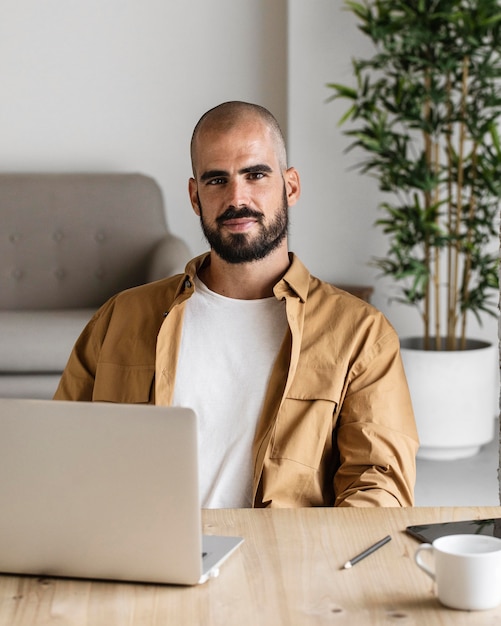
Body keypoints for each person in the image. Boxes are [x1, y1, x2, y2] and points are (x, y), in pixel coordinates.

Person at [54, 101, 419, 508]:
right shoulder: (119, 318)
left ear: (291, 186)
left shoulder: (361, 334)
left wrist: (315, 564)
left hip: (286, 564)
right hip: (141, 561)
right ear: (195, 197)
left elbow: (378, 485)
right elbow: (60, 456)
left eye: (256, 174)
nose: (236, 197)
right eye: (216, 180)